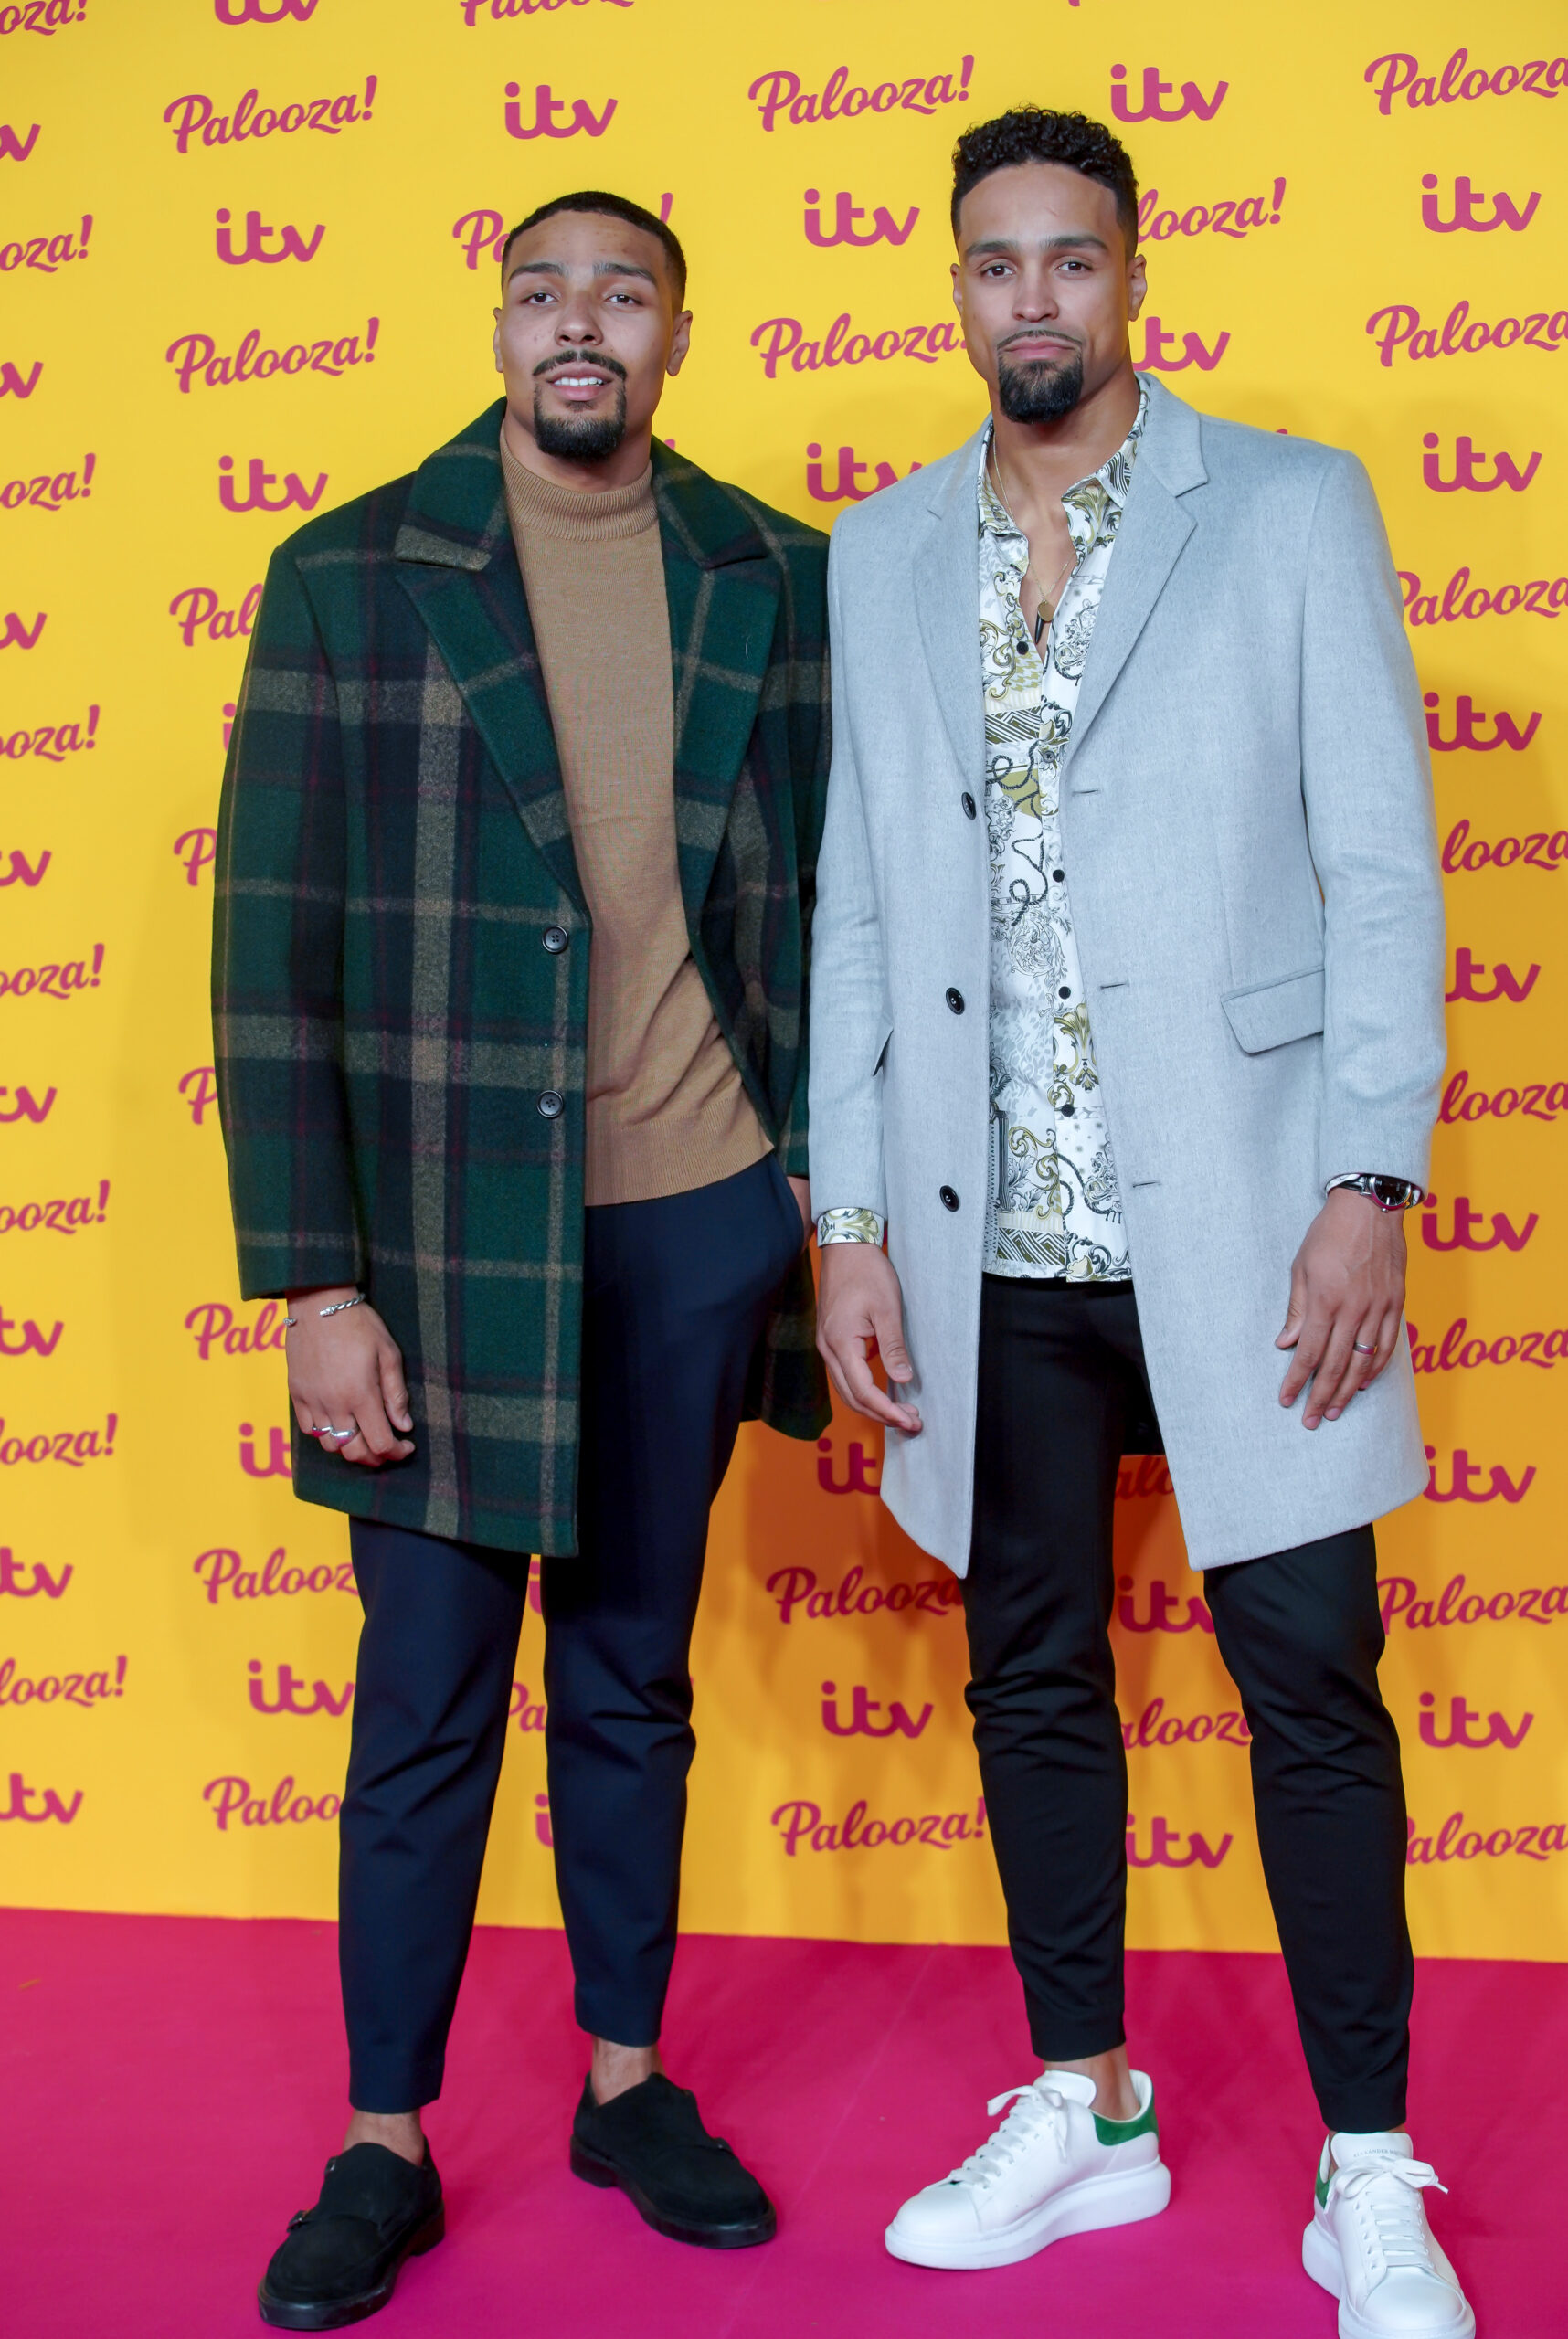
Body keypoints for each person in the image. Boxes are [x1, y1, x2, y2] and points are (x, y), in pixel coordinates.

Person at [809, 109, 1472, 2339]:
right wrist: (850, 1214)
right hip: (988, 1230)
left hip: (1258, 1211)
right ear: (956, 284)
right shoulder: (880, 551)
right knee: (1029, 1669)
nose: (1034, 298)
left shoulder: (1286, 506)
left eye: (1070, 259)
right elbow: (859, 903)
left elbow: (1380, 866)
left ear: (1132, 273)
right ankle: (1089, 2103)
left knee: (1312, 1679)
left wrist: (1369, 1181)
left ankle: (1368, 2165)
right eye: (995, 261)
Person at [214, 188, 830, 2329]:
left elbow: (835, 901)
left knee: (634, 1678)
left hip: (697, 1217)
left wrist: (811, 1199)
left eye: (624, 294)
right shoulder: (352, 573)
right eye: (545, 290)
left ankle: (625, 2082)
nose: (583, 324)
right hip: (438, 1243)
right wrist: (317, 1283)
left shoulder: (769, 569)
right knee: (425, 1700)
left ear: (677, 334)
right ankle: (382, 2137)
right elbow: (269, 950)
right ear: (499, 326)